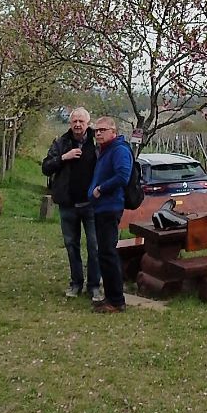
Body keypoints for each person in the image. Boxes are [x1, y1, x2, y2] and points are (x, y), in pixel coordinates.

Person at [42, 107, 102, 301]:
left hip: (92, 204)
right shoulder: (61, 143)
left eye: (81, 122)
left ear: (88, 123)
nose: (77, 125)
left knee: (94, 246)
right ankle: (76, 283)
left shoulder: (97, 142)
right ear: (70, 124)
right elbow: (45, 167)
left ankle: (94, 285)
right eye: (74, 121)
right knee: (71, 245)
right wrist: (63, 158)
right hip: (68, 204)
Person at [89, 116, 134, 314]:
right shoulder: (106, 150)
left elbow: (122, 176)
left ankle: (116, 300)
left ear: (113, 132)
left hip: (110, 207)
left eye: (102, 130)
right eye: (96, 130)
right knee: (103, 253)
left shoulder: (119, 150)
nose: (98, 133)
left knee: (108, 253)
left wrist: (100, 188)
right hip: (101, 207)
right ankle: (110, 297)